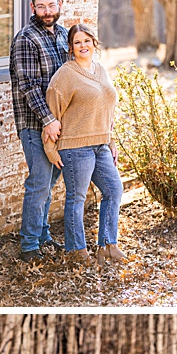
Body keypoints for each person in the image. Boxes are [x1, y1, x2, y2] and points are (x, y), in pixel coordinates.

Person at [43, 23, 125, 264]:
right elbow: (52, 113)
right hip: (74, 147)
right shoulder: (65, 75)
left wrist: (111, 140)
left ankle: (107, 245)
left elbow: (107, 109)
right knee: (77, 198)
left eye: (86, 41)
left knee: (113, 189)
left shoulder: (100, 69)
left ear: (93, 43)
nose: (83, 46)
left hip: (101, 144)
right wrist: (50, 148)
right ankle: (77, 250)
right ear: (71, 47)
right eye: (77, 42)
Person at [9, 0, 71, 263]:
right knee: (39, 183)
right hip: (36, 126)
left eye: (52, 5)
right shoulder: (26, 39)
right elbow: (29, 86)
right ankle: (29, 246)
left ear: (59, 5)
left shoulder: (61, 35)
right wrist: (47, 120)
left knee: (50, 183)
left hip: (60, 126)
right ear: (32, 8)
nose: (47, 11)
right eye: (41, 6)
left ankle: (43, 234)